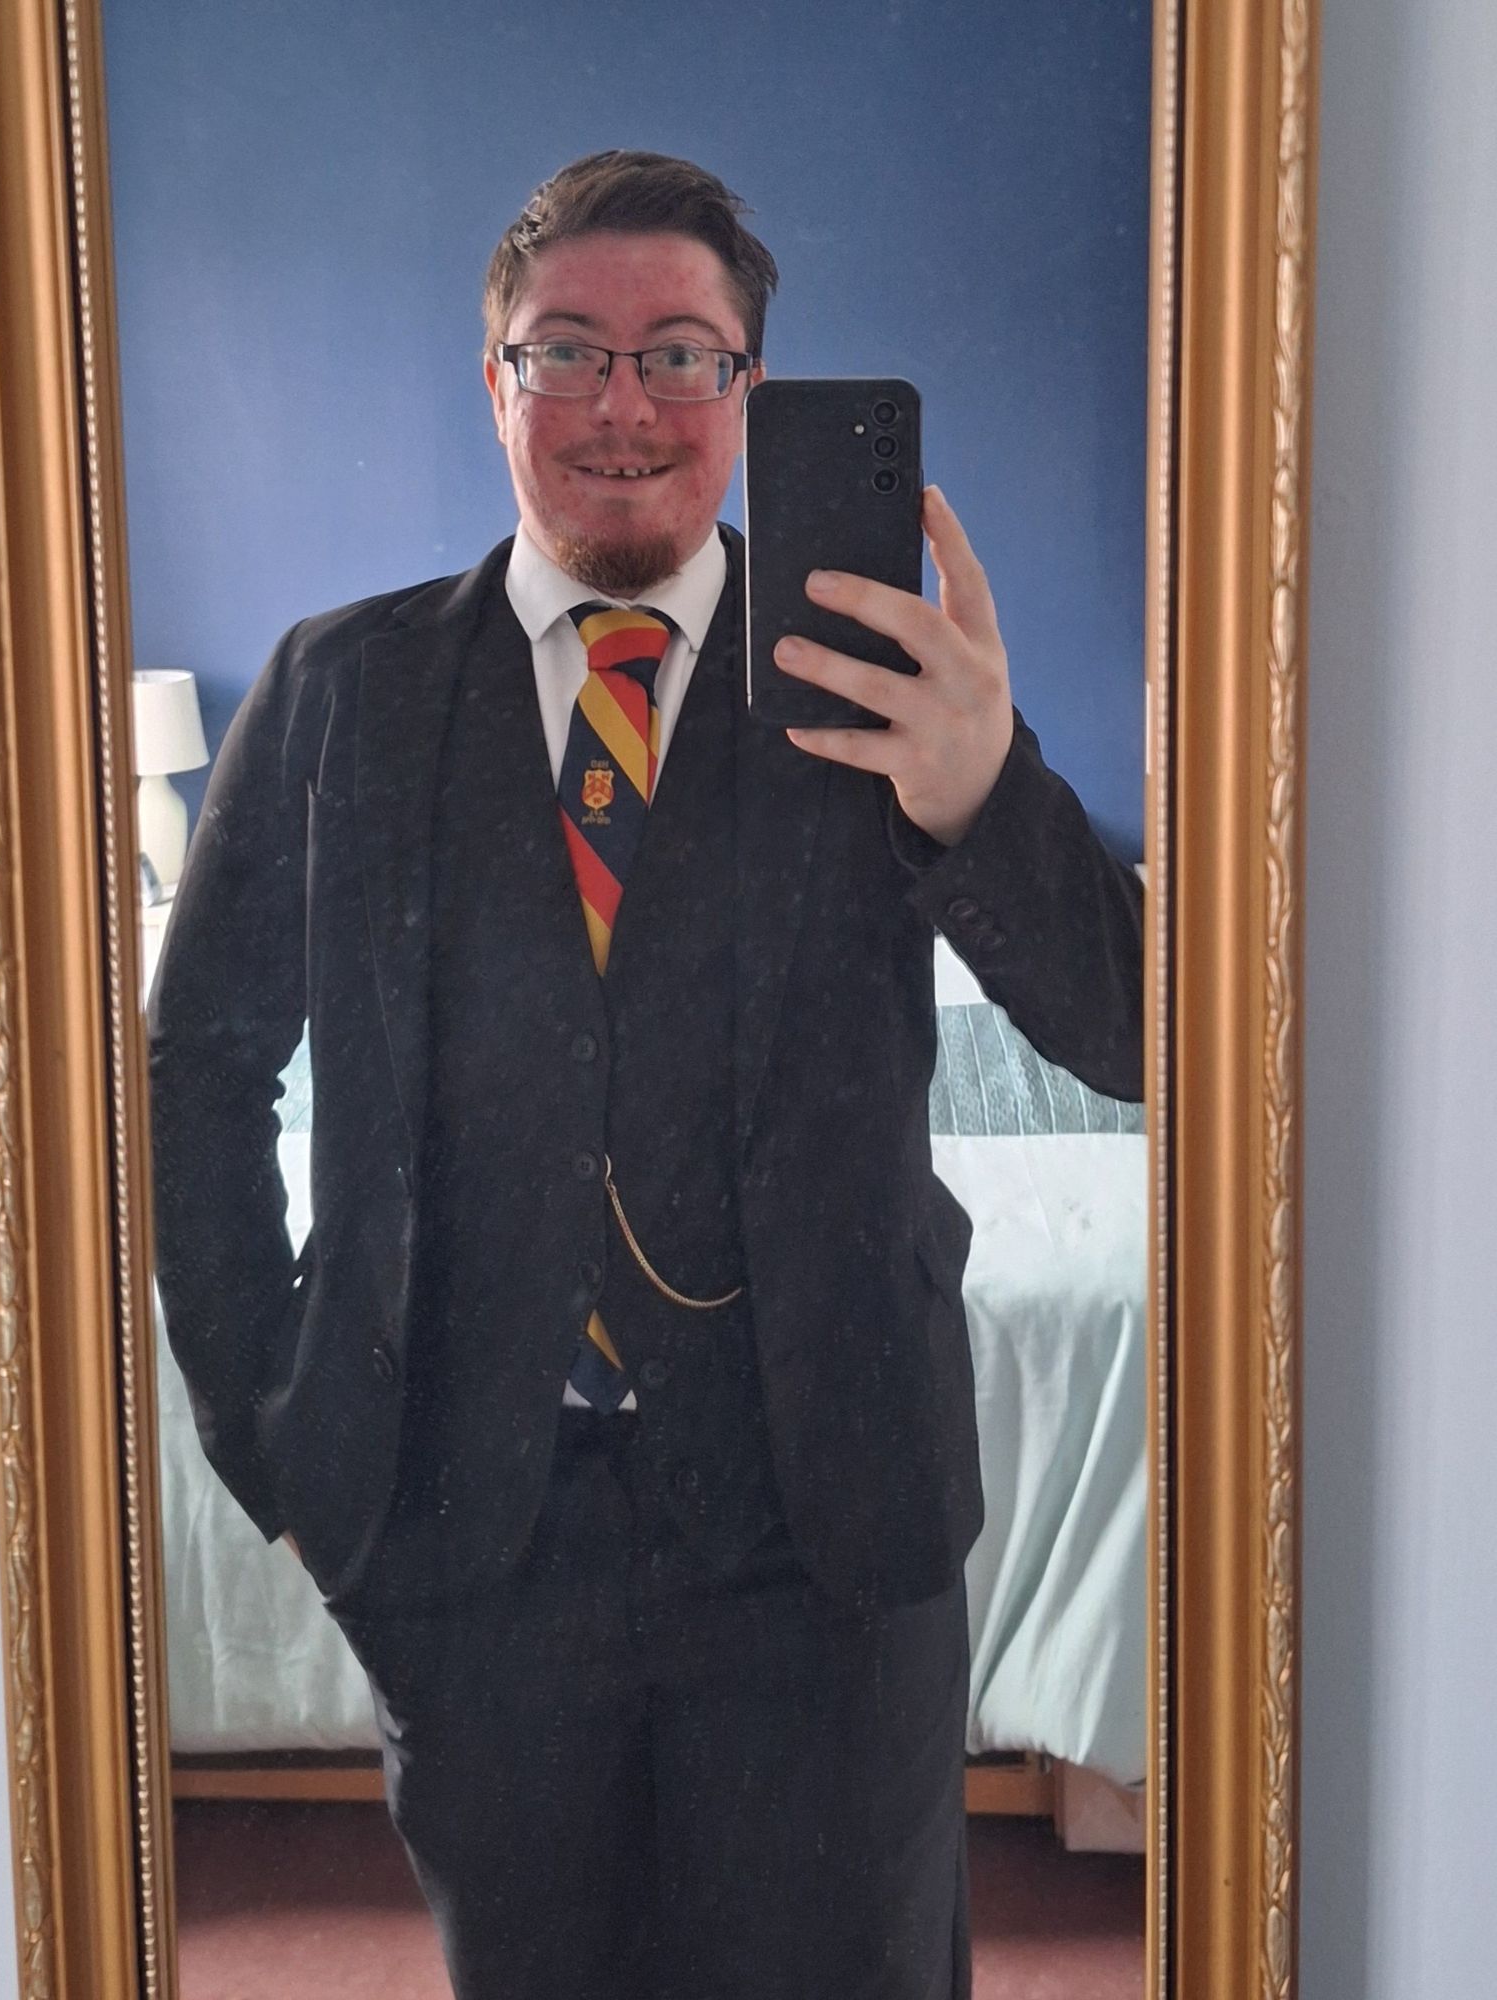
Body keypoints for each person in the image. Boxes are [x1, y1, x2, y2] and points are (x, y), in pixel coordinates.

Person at [149, 149, 1143, 2000]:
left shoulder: (884, 682)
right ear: (494, 382)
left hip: (831, 1538)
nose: (626, 405)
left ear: (751, 391)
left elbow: (1138, 1034)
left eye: (684, 353)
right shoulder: (336, 694)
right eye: (568, 353)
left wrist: (983, 793)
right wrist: (275, 1445)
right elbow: (196, 1076)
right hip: (466, 1546)